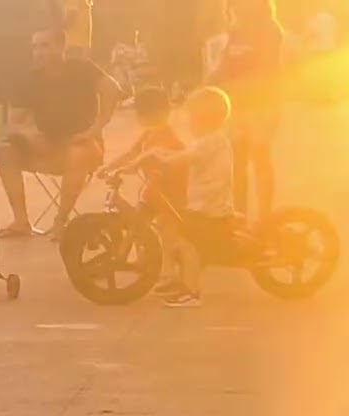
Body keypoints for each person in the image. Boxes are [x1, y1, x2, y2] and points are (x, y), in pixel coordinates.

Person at [0, 28, 123, 240]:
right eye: (35, 47)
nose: (38, 52)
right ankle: (21, 221)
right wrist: (29, 134)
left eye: (44, 46)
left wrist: (95, 129)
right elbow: (13, 124)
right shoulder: (30, 79)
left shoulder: (82, 69)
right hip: (47, 145)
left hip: (83, 145)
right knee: (4, 149)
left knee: (78, 153)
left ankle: (61, 221)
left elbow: (113, 89)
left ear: (61, 46)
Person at [118, 87, 235, 309]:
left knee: (187, 245)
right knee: (171, 233)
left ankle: (191, 292)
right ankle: (174, 280)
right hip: (207, 203)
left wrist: (156, 156)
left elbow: (179, 159)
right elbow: (179, 155)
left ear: (202, 120)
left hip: (207, 207)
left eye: (191, 118)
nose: (188, 123)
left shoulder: (209, 143)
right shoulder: (214, 139)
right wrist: (151, 155)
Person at [97, 87, 188, 292]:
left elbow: (152, 160)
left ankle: (170, 276)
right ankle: (144, 260)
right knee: (138, 225)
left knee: (166, 233)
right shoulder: (149, 134)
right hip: (154, 192)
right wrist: (110, 167)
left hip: (170, 194)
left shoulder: (166, 138)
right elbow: (132, 153)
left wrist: (129, 168)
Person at [205, 0, 284, 225]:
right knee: (237, 163)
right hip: (237, 106)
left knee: (260, 158)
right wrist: (207, 84)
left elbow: (266, 69)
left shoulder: (269, 28)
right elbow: (223, 65)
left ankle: (264, 218)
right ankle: (239, 216)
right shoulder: (236, 31)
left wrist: (235, 86)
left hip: (261, 105)